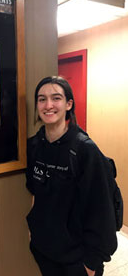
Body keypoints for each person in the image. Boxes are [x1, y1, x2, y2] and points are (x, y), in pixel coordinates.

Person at [26, 76, 117, 276]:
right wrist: (33, 228)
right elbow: (35, 191)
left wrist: (91, 263)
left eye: (56, 98)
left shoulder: (85, 150)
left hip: (76, 260)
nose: (48, 105)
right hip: (44, 250)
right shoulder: (34, 145)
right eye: (42, 99)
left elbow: (102, 211)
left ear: (68, 104)